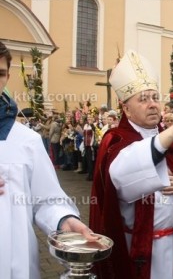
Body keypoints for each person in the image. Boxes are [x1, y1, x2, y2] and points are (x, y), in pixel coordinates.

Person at [89, 50, 173, 278]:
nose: (153, 104)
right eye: (143, 99)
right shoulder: (115, 139)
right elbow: (121, 178)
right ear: (125, 108)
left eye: (155, 97)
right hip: (134, 247)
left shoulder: (167, 138)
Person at [0, 41, 96, 279]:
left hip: (15, 266)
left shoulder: (26, 140)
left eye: (0, 74)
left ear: (7, 76)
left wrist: (64, 220)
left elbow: (46, 199)